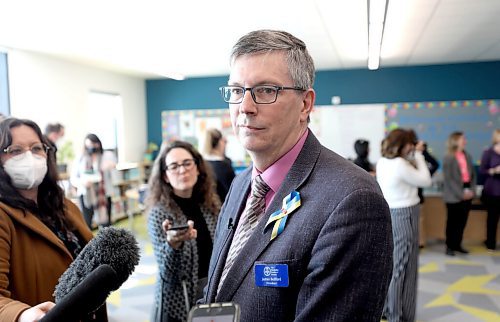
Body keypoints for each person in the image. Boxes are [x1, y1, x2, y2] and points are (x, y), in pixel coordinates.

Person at [203, 29, 393, 321]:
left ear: (305, 104)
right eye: (237, 90)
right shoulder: (242, 184)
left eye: (266, 90)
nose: (245, 107)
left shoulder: (353, 200)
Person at [0, 118, 107, 321]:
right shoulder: (3, 216)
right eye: (15, 150)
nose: (29, 157)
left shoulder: (65, 206)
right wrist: (22, 314)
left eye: (36, 148)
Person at [146, 140, 220, 322]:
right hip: (176, 305)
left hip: (212, 296)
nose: (182, 170)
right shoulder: (159, 213)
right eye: (174, 166)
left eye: (187, 163)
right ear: (165, 176)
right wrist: (173, 244)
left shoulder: (211, 205)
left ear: (197, 167)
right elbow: (167, 273)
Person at [376, 128, 431, 322]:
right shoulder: (400, 164)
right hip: (405, 215)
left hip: (392, 213)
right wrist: (420, 156)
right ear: (405, 144)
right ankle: (397, 315)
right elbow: (426, 179)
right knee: (403, 268)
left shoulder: (383, 162)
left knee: (396, 266)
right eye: (411, 144)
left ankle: (393, 311)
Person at [70, 134, 116, 229]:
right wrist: (82, 183)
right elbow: (73, 178)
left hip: (104, 194)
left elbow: (115, 168)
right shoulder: (80, 158)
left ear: (99, 144)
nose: (92, 148)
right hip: (86, 194)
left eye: (95, 144)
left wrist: (111, 166)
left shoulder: (107, 155)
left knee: (106, 224)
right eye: (89, 145)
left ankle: (105, 243)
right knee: (86, 223)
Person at [442, 131, 476, 256]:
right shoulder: (448, 157)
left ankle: (457, 244)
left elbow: (473, 175)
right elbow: (449, 179)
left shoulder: (467, 155)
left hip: (468, 191)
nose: (465, 141)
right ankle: (449, 246)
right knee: (452, 222)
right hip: (453, 195)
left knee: (462, 222)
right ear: (455, 140)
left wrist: (471, 190)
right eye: (462, 139)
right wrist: (461, 194)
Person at [479, 129, 500, 251]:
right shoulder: (488, 153)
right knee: (492, 218)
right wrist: (493, 171)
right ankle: (490, 242)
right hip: (492, 191)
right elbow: (482, 171)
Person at [202, 128, 236, 202]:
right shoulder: (224, 166)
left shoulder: (201, 164)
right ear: (220, 142)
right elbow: (234, 192)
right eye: (225, 142)